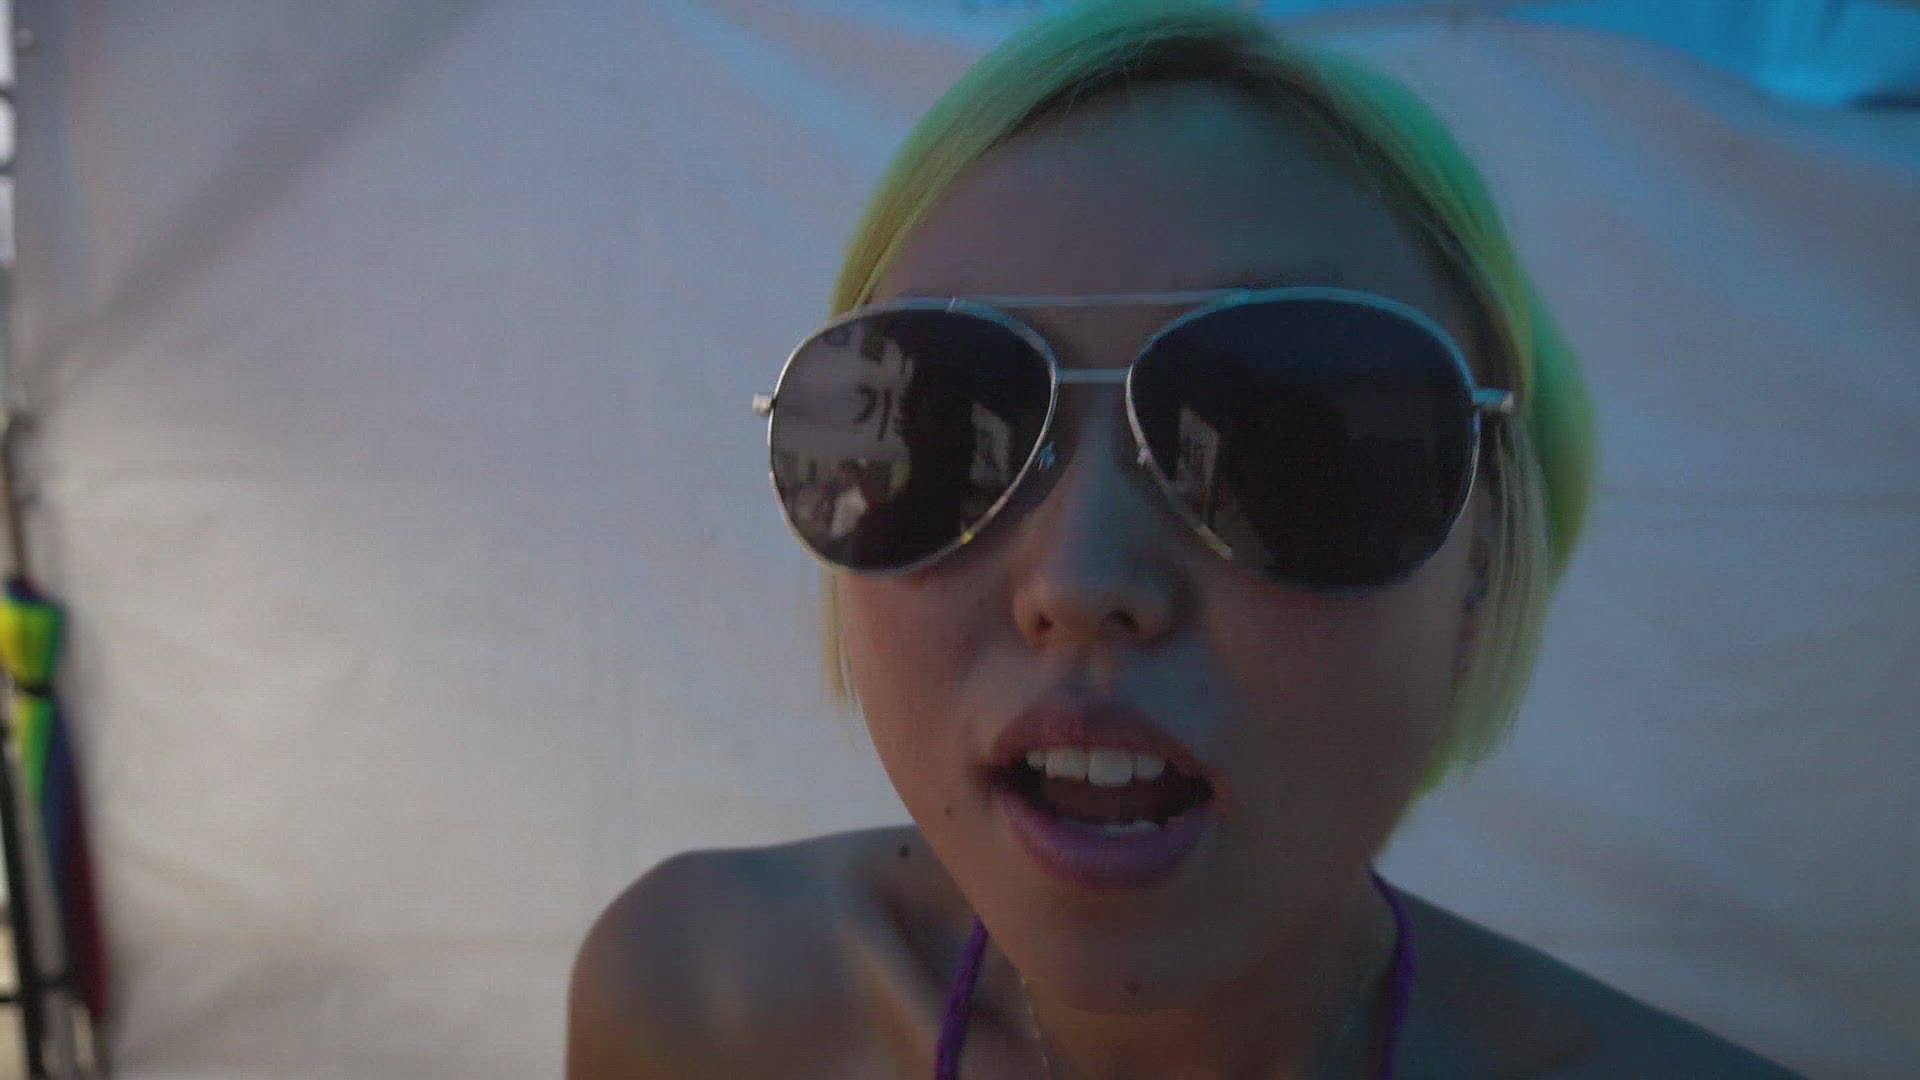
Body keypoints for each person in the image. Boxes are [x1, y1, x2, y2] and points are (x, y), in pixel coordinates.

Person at [568, 2, 1799, 1075]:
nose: (1080, 580)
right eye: (941, 429)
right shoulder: (696, 1007)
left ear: (1483, 555)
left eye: (1287, 446)